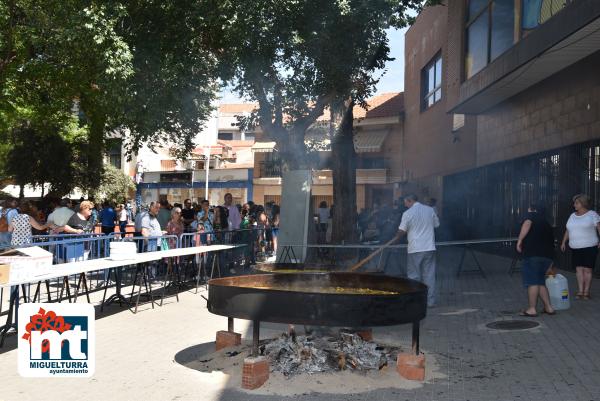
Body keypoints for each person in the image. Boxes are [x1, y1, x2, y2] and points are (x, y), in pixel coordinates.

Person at [393, 194, 440, 307]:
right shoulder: (430, 210)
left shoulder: (407, 213)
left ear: (410, 201)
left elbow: (402, 231)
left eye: (405, 202)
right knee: (429, 275)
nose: (404, 204)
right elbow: (436, 225)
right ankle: (430, 302)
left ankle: (414, 301)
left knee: (414, 276)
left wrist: (396, 238)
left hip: (415, 249)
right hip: (429, 247)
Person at [516, 203, 556, 316]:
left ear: (532, 209)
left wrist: (519, 241)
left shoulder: (531, 216)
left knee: (532, 282)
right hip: (547, 257)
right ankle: (549, 308)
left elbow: (527, 223)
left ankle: (532, 309)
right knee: (540, 282)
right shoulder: (547, 223)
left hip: (533, 255)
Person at [561, 194, 600, 300]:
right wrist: (563, 242)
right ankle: (580, 291)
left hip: (590, 246)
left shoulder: (592, 214)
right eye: (574, 203)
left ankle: (586, 292)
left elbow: (599, 228)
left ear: (583, 204)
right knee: (579, 270)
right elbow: (568, 230)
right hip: (575, 247)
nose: (574, 205)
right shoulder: (572, 216)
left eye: (576, 203)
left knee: (587, 270)